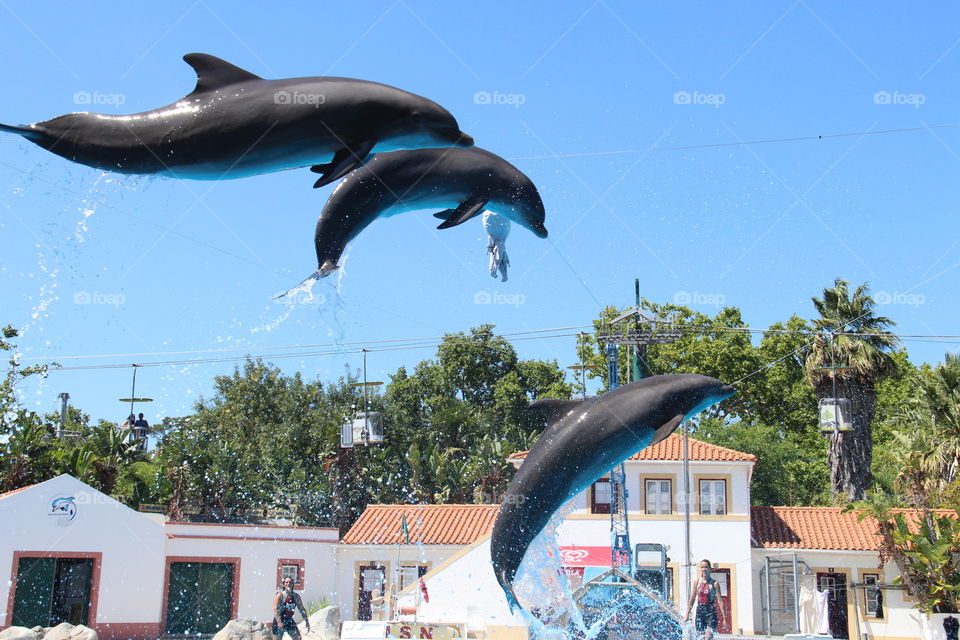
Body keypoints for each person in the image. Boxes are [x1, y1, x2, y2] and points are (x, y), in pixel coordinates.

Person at [683, 559, 725, 640]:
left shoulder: (714, 583)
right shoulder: (697, 582)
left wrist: (724, 618)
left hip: (710, 612)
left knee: (708, 636)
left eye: (706, 567)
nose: (704, 569)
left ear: (710, 569)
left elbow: (720, 600)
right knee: (700, 636)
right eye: (702, 567)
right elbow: (692, 599)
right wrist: (687, 615)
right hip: (700, 611)